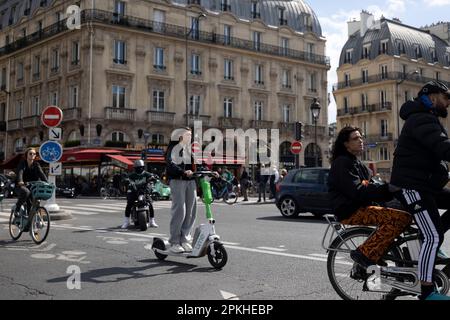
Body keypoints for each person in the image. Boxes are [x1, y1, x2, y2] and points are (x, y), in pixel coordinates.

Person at [390, 81, 450, 300]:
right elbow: (442, 147)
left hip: (424, 185)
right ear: (433, 98)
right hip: (411, 186)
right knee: (433, 236)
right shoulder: (421, 119)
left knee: (433, 235)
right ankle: (426, 292)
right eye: (446, 97)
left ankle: (428, 242)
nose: (448, 103)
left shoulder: (427, 118)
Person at [328, 126, 412, 278]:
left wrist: (397, 193)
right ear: (345, 144)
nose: (360, 141)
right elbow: (358, 192)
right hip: (349, 210)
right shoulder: (342, 163)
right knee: (400, 218)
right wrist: (388, 189)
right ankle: (363, 253)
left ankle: (378, 252)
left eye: (361, 137)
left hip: (361, 206)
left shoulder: (357, 163)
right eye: (355, 138)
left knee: (406, 212)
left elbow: (373, 186)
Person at [165, 127, 198, 253]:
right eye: (188, 135)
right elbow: (170, 164)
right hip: (178, 180)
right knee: (180, 211)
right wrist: (183, 172)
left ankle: (185, 238)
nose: (190, 137)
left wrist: (211, 171)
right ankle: (174, 241)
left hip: (191, 182)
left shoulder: (188, 150)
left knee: (191, 211)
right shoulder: (173, 149)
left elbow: (196, 164)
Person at [121, 160, 158, 229]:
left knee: (150, 204)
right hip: (134, 192)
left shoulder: (146, 174)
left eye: (140, 167)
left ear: (143, 167)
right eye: (137, 167)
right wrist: (125, 180)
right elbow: (126, 178)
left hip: (144, 192)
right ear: (135, 168)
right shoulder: (132, 175)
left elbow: (152, 177)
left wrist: (154, 177)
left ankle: (152, 221)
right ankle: (126, 221)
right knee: (129, 204)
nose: (139, 169)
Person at [14, 147, 48, 217]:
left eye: (34, 154)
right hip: (21, 186)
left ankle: (29, 223)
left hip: (32, 186)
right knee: (26, 192)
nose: (32, 155)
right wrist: (20, 181)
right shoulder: (22, 163)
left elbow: (41, 174)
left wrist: (47, 183)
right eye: (30, 153)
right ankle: (17, 209)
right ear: (26, 155)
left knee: (33, 201)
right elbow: (20, 172)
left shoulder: (36, 164)